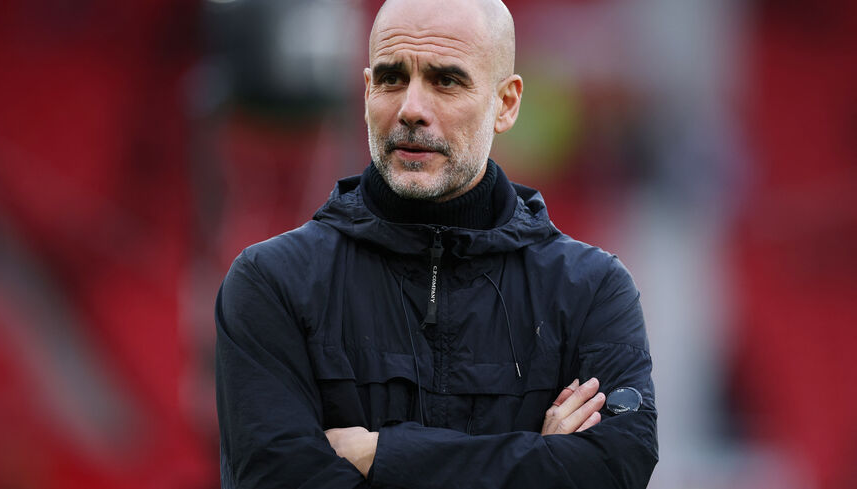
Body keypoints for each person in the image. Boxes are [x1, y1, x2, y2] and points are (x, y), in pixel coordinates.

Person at [215, 0, 658, 487]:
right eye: (391, 78)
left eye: (446, 80)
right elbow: (277, 478)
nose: (411, 109)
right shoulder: (273, 283)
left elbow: (614, 469)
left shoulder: (590, 291)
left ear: (506, 104)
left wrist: (380, 453)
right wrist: (538, 460)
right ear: (366, 93)